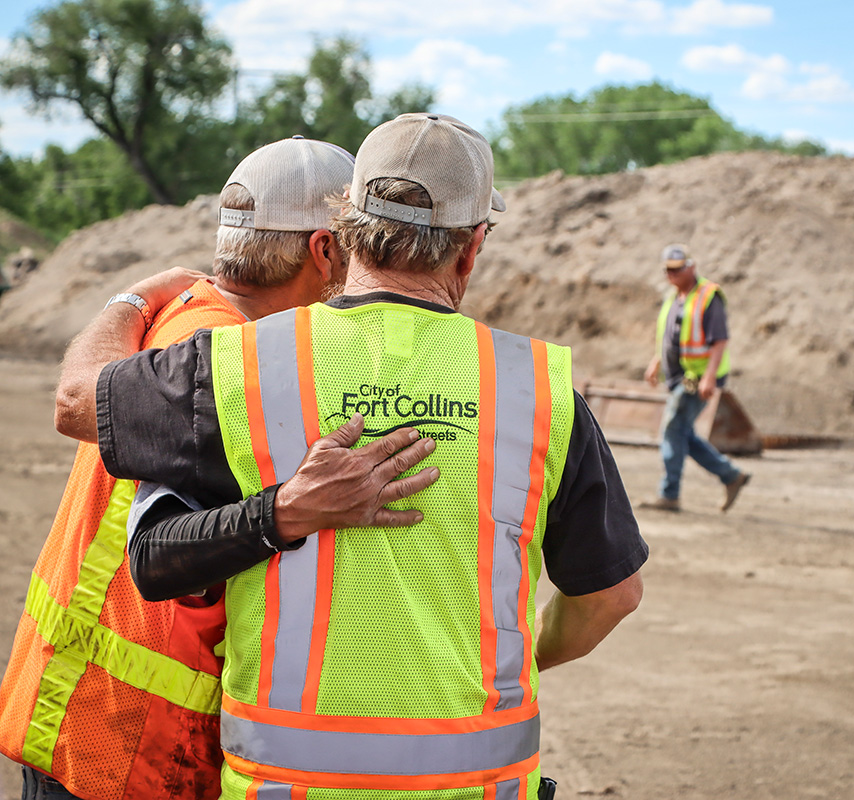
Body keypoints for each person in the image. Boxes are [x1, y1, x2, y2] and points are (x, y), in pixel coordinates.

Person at [64, 113, 647, 799]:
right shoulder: (537, 389)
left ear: (345, 228)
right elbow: (612, 596)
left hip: (287, 786)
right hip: (478, 784)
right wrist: (525, 661)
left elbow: (82, 406)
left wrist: (136, 296)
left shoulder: (236, 366)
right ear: (472, 246)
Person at [0, 136, 438, 800]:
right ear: (324, 252)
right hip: (121, 736)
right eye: (359, 247)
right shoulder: (230, 358)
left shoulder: (182, 315)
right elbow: (75, 405)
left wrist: (131, 297)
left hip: (79, 707)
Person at [643, 243, 750, 512]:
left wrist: (709, 377)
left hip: (696, 378)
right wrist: (657, 362)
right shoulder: (674, 297)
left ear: (691, 267)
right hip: (679, 376)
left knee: (672, 429)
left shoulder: (708, 296)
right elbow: (670, 337)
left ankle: (669, 494)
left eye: (677, 270)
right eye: (668, 270)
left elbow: (719, 340)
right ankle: (731, 476)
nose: (671, 275)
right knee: (683, 435)